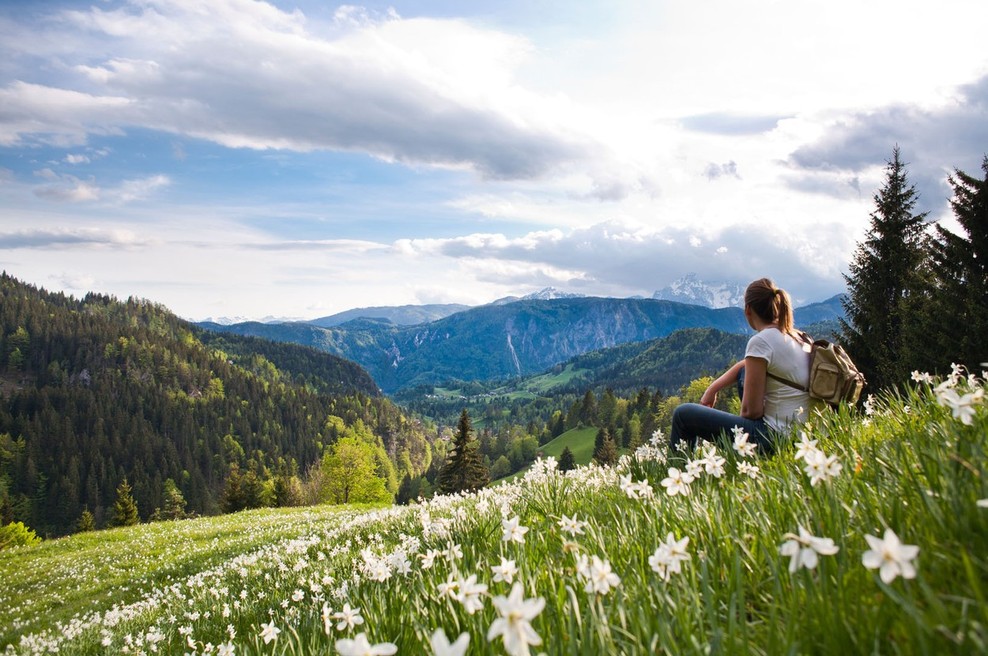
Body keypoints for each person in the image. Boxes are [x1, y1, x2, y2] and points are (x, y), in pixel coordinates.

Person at [669, 278, 813, 456]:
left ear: (748, 310)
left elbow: (751, 412)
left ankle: (680, 473)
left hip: (774, 439)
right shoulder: (797, 337)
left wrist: (736, 432)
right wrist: (712, 389)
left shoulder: (761, 341)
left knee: (683, 415)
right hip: (804, 437)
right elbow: (746, 365)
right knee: (745, 372)